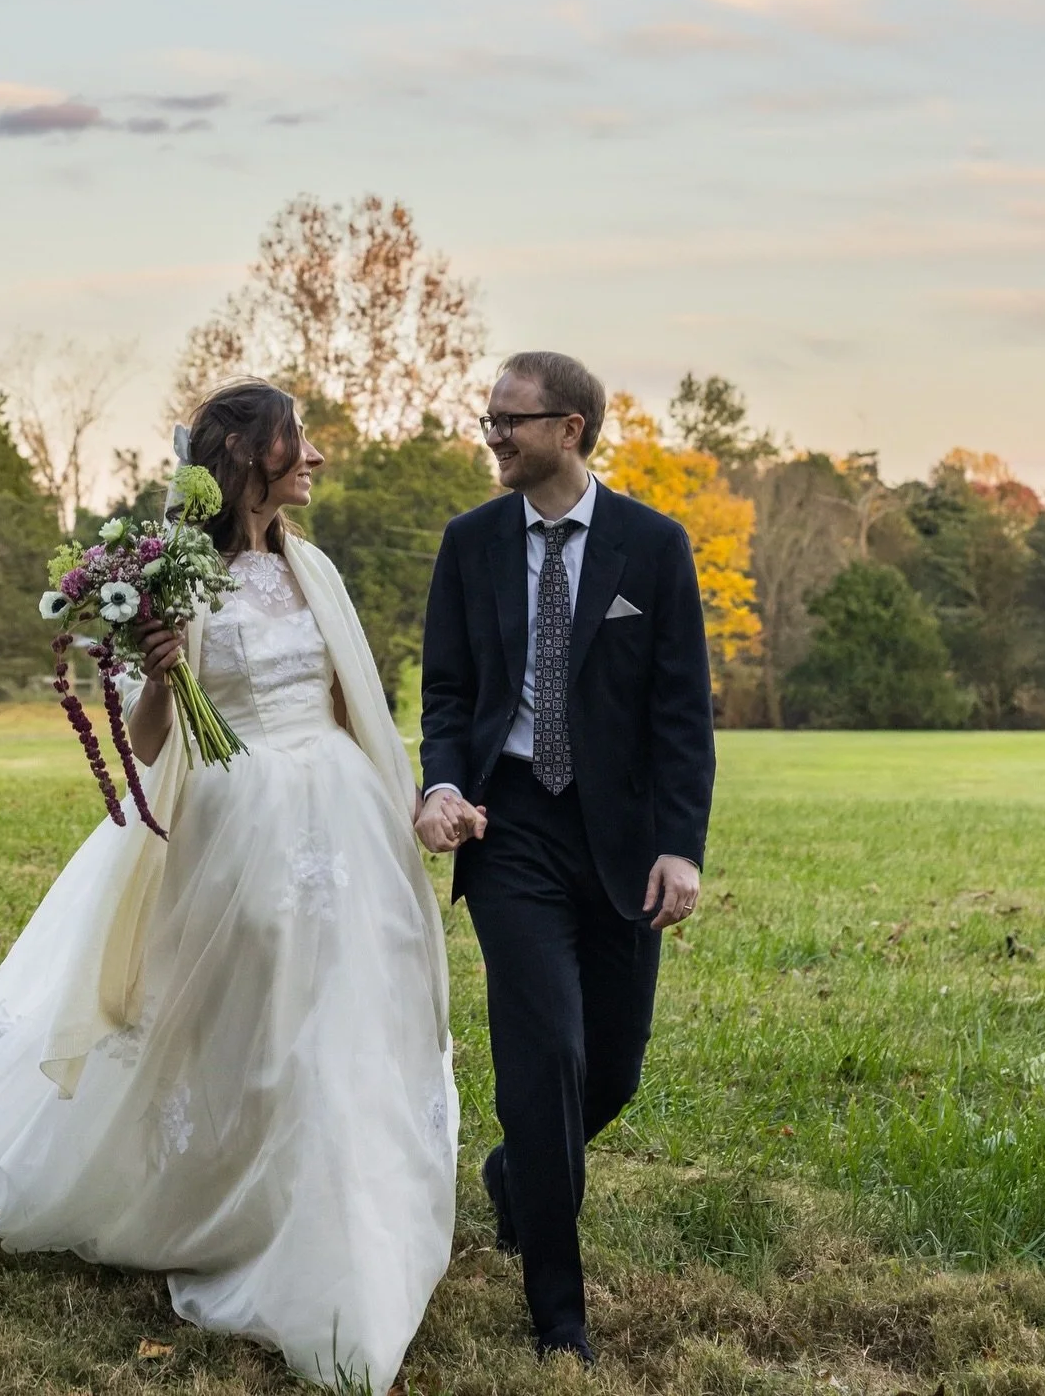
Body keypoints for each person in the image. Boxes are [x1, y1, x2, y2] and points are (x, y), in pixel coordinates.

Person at [0, 379, 457, 1392]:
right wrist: (160, 664)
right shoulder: (179, 580)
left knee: (342, 1009)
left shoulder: (314, 569)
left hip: (339, 815)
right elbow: (150, 741)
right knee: (257, 1013)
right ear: (250, 455)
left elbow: (344, 700)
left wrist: (399, 805)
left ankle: (340, 1213)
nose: (318, 455)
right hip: (236, 815)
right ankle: (228, 1195)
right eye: (302, 440)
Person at [416, 350, 715, 1365]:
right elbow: (449, 692)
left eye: (511, 417)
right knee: (542, 1060)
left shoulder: (654, 544)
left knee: (612, 1067)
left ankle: (516, 1175)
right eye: (488, 415)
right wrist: (443, 786)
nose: (492, 432)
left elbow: (681, 715)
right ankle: (559, 1314)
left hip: (623, 836)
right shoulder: (470, 543)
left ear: (573, 427)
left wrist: (680, 844)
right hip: (512, 830)